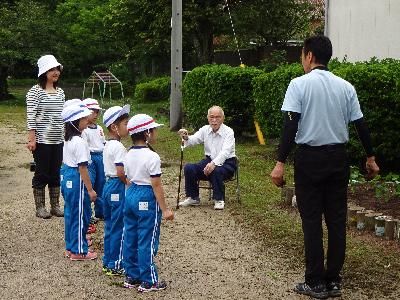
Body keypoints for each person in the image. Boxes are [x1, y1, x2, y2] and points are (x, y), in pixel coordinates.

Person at [270, 35, 380, 299]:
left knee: (311, 220)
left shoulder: (298, 85)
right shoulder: (346, 87)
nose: (301, 61)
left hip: (310, 159)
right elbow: (360, 124)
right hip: (337, 159)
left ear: (309, 56)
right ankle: (333, 281)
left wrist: (280, 162)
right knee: (336, 220)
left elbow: (290, 125)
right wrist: (370, 157)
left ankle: (314, 282)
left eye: (301, 56)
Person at [123, 114, 174, 292]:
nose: (155, 133)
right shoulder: (152, 156)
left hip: (130, 193)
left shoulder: (128, 153)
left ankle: (131, 275)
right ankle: (149, 280)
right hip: (146, 195)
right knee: (147, 238)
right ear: (146, 133)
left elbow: (127, 176)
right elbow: (156, 184)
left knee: (130, 235)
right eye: (153, 130)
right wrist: (165, 209)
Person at [26, 55, 65, 219]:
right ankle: (40, 208)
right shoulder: (35, 91)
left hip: (58, 140)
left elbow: (63, 116)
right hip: (42, 140)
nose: (55, 72)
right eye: (51, 69)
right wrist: (32, 139)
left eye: (57, 69)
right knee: (42, 173)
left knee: (56, 173)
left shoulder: (61, 92)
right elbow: (31, 117)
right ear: (44, 72)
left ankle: (55, 206)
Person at [178, 106, 236, 210]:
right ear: (208, 118)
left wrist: (213, 164)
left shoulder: (229, 132)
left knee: (216, 170)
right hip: (209, 160)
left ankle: (219, 199)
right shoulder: (205, 129)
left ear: (223, 118)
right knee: (189, 168)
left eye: (217, 117)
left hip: (227, 163)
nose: (214, 120)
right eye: (211, 117)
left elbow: (225, 152)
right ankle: (193, 197)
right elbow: (193, 140)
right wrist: (186, 137)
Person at [61, 104, 98, 261]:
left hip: (67, 176)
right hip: (77, 179)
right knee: (81, 215)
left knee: (71, 213)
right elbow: (83, 168)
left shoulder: (68, 139)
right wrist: (90, 189)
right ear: (76, 122)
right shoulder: (79, 141)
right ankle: (79, 250)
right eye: (84, 118)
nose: (87, 120)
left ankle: (71, 246)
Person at [101, 105, 130, 275]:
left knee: (110, 226)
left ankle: (108, 261)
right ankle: (116, 264)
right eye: (125, 123)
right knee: (119, 226)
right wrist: (129, 184)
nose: (128, 126)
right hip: (117, 186)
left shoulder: (108, 144)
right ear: (114, 127)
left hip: (108, 185)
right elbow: (120, 172)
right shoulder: (118, 147)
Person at [81, 98, 106, 221]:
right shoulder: (84, 130)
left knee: (101, 183)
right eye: (93, 112)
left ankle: (100, 212)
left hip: (100, 157)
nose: (95, 114)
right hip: (89, 158)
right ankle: (87, 214)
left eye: (97, 112)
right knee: (89, 184)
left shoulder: (99, 128)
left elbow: (103, 143)